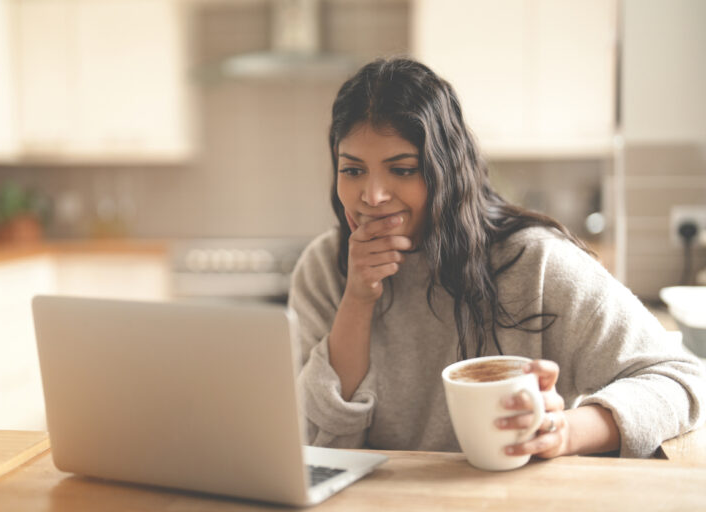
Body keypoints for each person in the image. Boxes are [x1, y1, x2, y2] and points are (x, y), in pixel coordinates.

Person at [289, 57, 706, 459]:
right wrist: (358, 298)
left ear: (447, 171)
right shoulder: (324, 267)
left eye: (402, 170)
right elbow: (319, 441)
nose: (373, 196)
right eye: (353, 170)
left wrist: (564, 432)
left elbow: (681, 381)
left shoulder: (533, 263)